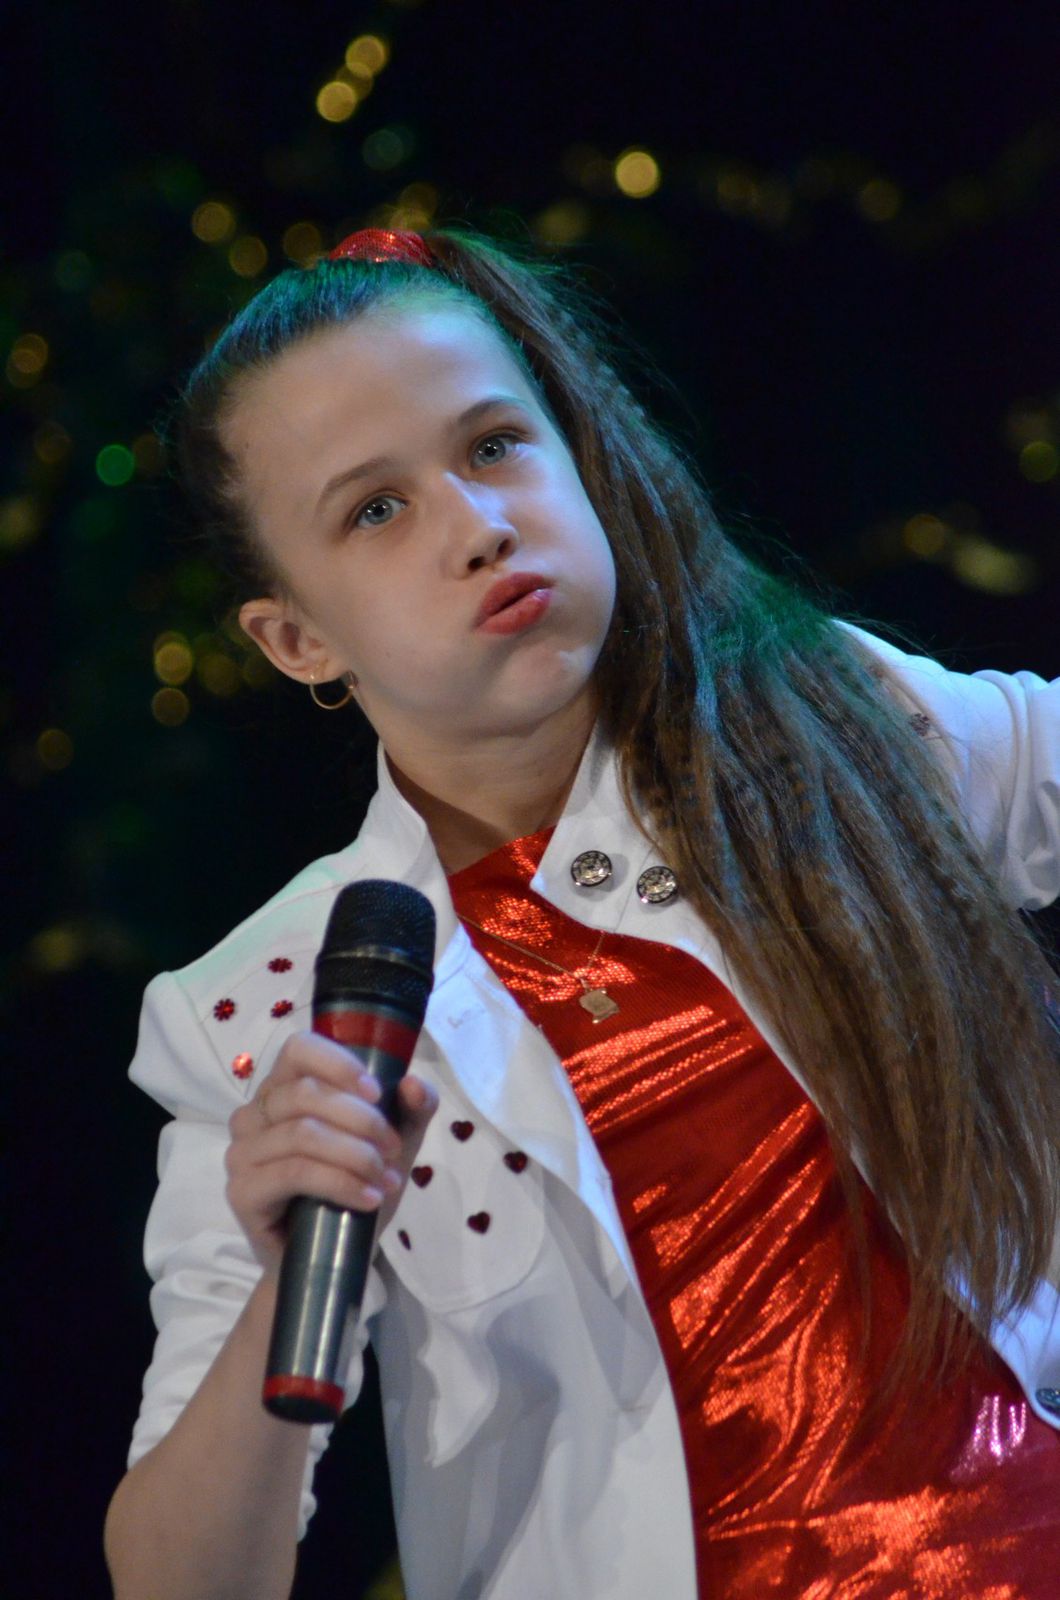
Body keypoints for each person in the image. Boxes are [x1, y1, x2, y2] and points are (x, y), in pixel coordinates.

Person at [104, 225, 1060, 1600]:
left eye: (496, 445)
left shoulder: (826, 729)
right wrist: (285, 1281)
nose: (478, 525)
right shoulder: (260, 1012)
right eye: (376, 511)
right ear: (297, 638)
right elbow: (177, 1580)